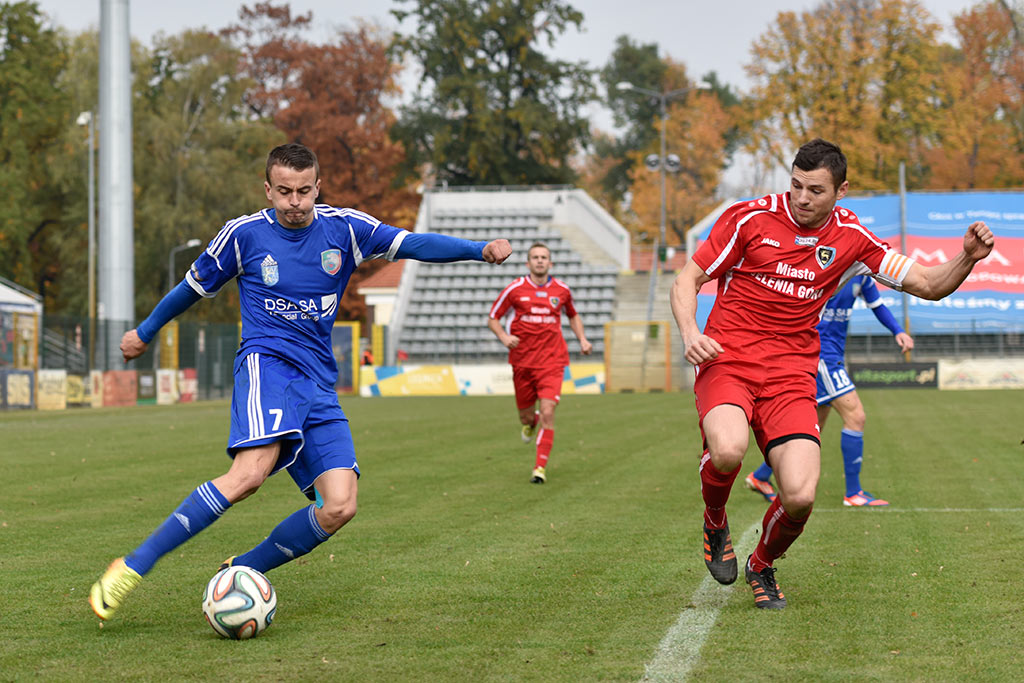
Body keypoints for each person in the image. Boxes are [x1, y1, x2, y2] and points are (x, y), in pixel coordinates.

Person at [89, 143, 512, 621]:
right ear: (268, 189)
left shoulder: (346, 229)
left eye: (304, 191)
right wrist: (144, 333)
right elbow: (191, 289)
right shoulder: (243, 236)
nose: (294, 201)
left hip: (318, 383)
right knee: (248, 475)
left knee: (339, 505)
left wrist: (479, 250)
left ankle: (242, 570)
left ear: (318, 187)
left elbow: (411, 243)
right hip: (266, 365)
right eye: (284, 191)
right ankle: (132, 566)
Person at [671, 138, 993, 610]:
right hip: (729, 359)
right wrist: (689, 331)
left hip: (792, 373)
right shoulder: (748, 218)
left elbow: (926, 284)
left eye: (816, 190)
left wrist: (966, 258)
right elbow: (687, 279)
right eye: (796, 185)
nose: (802, 197)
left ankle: (761, 563)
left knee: (800, 495)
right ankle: (715, 519)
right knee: (728, 448)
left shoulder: (852, 238)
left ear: (841, 190)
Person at [745, 274, 914, 506]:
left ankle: (761, 476)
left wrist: (898, 331)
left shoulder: (863, 275)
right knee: (856, 416)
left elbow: (877, 305)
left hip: (833, 354)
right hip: (820, 354)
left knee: (814, 427)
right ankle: (853, 493)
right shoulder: (826, 266)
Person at [487, 242, 592, 484]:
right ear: (528, 263)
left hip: (552, 362)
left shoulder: (562, 290)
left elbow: (573, 315)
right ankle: (529, 423)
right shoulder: (514, 289)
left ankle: (539, 468)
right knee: (526, 417)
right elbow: (493, 318)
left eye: (544, 257)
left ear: (550, 263)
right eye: (535, 257)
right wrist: (503, 336)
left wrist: (583, 339)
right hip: (522, 362)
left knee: (548, 412)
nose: (540, 260)